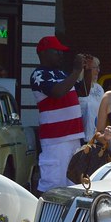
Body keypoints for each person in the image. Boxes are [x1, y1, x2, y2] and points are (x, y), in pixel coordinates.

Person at [30, 35, 85, 192]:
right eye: (57, 51)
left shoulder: (62, 73)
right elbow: (57, 92)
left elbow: (84, 90)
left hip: (73, 137)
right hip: (56, 140)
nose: (61, 54)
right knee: (53, 185)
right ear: (45, 52)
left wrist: (85, 70)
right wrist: (76, 71)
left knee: (73, 185)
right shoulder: (39, 74)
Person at [78, 54, 105, 135]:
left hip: (96, 135)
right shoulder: (77, 87)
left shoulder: (99, 89)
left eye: (98, 67)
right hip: (80, 134)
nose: (98, 70)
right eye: (95, 67)